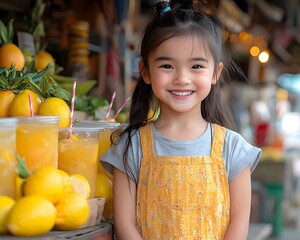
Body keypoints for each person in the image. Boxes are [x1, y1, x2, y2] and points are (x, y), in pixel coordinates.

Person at [101, 0, 261, 239]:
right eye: (167, 65)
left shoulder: (233, 148)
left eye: (196, 65)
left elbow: (238, 225)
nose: (182, 78)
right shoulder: (130, 147)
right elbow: (125, 227)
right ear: (145, 71)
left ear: (215, 73)